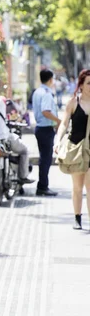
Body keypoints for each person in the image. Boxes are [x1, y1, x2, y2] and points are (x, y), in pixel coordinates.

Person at [55, 69, 90, 230]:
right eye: (88, 83)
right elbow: (64, 124)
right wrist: (58, 140)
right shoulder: (73, 102)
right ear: (81, 85)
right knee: (77, 187)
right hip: (76, 148)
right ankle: (77, 217)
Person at [32, 69, 60, 196]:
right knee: (46, 159)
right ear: (50, 79)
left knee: (44, 158)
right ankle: (43, 186)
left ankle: (42, 185)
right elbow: (46, 111)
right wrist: (58, 120)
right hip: (45, 129)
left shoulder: (37, 92)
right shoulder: (46, 93)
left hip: (40, 128)